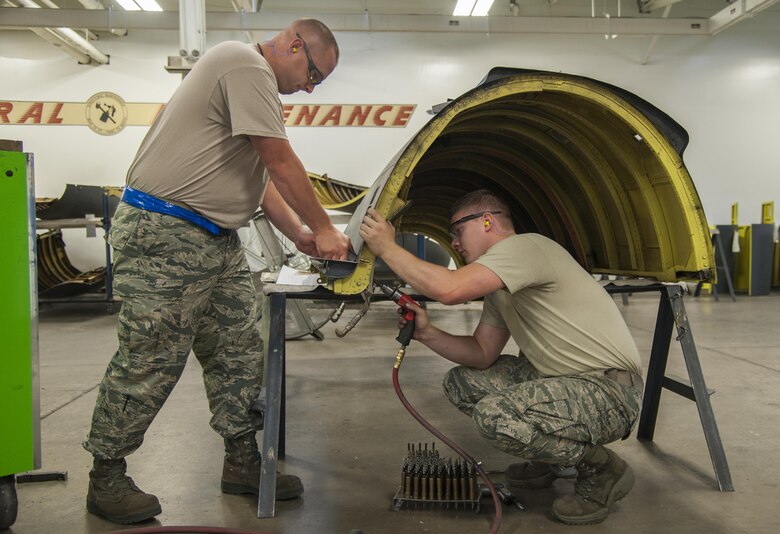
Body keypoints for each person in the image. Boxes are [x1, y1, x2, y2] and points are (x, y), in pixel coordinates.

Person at [83, 19, 350, 525]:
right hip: (165, 232)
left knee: (239, 348)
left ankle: (242, 460)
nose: (311, 88)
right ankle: (107, 475)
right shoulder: (242, 62)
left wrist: (299, 235)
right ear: (294, 45)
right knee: (152, 356)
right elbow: (280, 158)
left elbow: (260, 172)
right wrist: (324, 227)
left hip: (214, 238)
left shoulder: (249, 80)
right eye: (314, 73)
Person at [360, 190, 643, 525]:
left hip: (608, 392)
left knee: (495, 415)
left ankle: (601, 468)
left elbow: (449, 290)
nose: (456, 243)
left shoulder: (524, 247)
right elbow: (482, 354)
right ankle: (551, 458)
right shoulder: (501, 285)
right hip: (566, 383)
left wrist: (387, 248)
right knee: (462, 382)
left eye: (458, 232)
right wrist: (427, 333)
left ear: (487, 221)